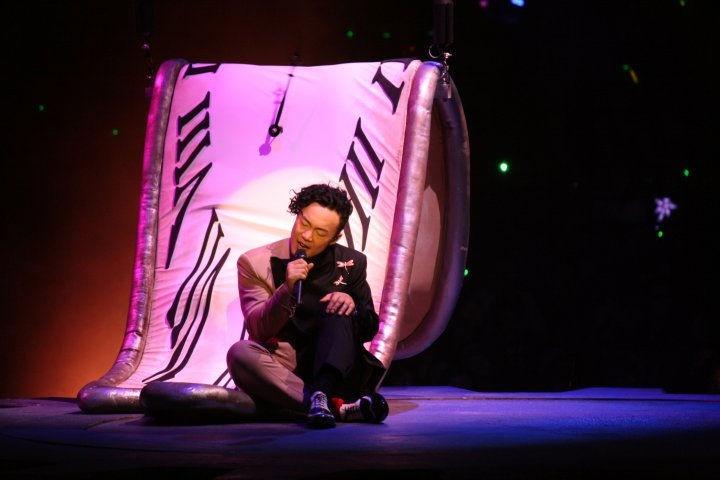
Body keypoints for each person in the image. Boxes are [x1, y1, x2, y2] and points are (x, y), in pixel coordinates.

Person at [226, 184, 389, 428]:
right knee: (240, 353)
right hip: (286, 372)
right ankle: (333, 406)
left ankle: (319, 397)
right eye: (304, 223)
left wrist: (352, 307)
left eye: (321, 232)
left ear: (334, 237)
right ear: (297, 213)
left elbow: (369, 328)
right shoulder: (255, 263)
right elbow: (258, 329)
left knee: (337, 305)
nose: (307, 236)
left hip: (335, 366)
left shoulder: (351, 263)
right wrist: (287, 288)